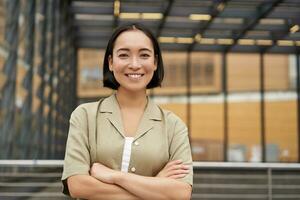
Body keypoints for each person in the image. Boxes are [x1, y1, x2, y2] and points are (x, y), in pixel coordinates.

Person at [61, 23, 193, 200]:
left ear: (155, 63)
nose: (134, 64)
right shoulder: (85, 116)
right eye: (124, 55)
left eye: (144, 55)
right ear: (110, 62)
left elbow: (181, 193)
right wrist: (156, 184)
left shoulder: (174, 126)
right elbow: (78, 185)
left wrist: (116, 176)